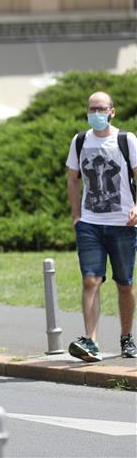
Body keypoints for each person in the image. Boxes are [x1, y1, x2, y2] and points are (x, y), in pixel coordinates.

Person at [66, 91, 137, 361]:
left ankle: (126, 337)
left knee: (124, 284)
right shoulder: (80, 140)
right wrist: (76, 215)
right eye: (92, 108)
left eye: (101, 108)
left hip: (122, 223)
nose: (96, 112)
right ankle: (91, 342)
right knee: (90, 280)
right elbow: (73, 179)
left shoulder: (125, 139)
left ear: (112, 111)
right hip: (90, 223)